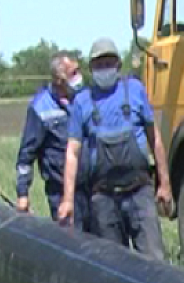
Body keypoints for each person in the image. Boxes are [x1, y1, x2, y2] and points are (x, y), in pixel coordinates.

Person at [58, 38, 172, 259]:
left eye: (108, 63)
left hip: (140, 192)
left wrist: (165, 184)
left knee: (155, 263)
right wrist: (68, 200)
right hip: (104, 198)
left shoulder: (135, 90)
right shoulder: (82, 102)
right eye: (99, 65)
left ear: (118, 65)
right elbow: (72, 153)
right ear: (91, 69)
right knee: (114, 266)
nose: (104, 69)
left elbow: (154, 138)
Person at [15, 51, 90, 229]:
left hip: (92, 189)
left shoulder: (85, 98)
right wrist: (22, 194)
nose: (78, 78)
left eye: (78, 71)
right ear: (59, 79)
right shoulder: (41, 107)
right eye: (73, 74)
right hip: (61, 192)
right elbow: (26, 154)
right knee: (74, 247)